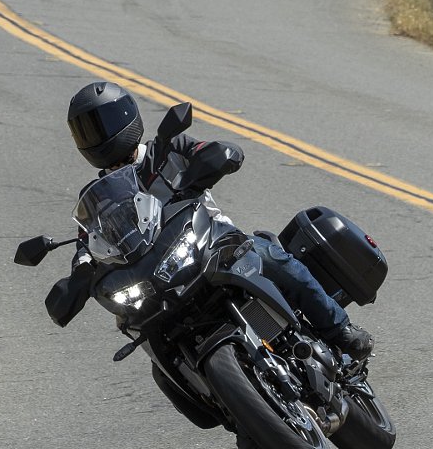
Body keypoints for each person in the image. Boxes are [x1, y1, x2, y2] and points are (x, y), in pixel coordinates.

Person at [64, 80, 374, 362]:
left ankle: (339, 330)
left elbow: (211, 152)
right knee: (158, 356)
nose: (99, 135)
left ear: (127, 118)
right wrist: (81, 269)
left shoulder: (168, 149)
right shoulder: (98, 197)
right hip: (157, 276)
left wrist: (217, 157)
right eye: (87, 131)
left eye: (104, 123)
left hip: (212, 241)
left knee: (275, 258)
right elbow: (88, 242)